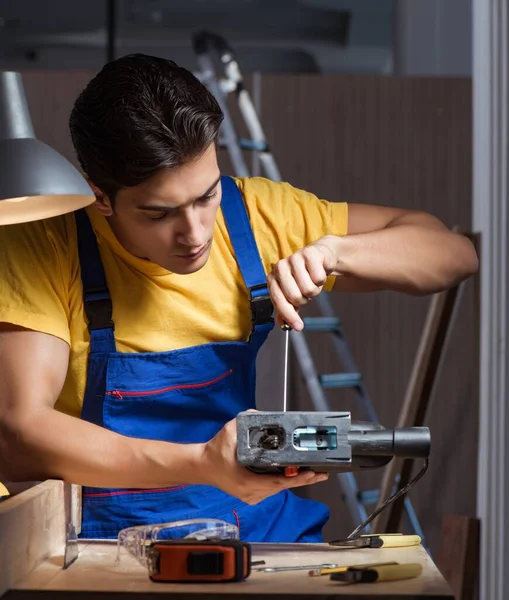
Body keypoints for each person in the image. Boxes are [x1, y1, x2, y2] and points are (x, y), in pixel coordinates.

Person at [0, 54, 478, 541]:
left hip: (250, 523)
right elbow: (21, 433)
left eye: (206, 196)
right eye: (159, 214)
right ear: (100, 196)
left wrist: (336, 252)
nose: (195, 233)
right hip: (105, 538)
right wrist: (201, 464)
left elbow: (452, 254)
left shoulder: (256, 215)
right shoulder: (47, 242)